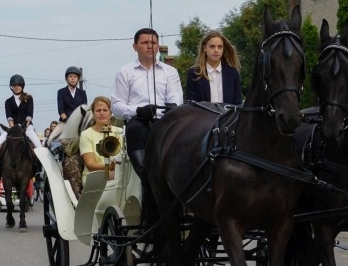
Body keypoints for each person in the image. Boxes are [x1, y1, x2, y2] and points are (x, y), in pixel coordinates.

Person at [111, 28, 183, 178]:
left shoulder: (170, 72)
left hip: (166, 121)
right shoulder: (125, 72)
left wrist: (173, 107)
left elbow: (176, 96)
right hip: (139, 121)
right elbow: (116, 106)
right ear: (135, 46)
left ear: (158, 46)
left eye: (153, 42)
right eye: (144, 42)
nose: (149, 46)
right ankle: (146, 177)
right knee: (134, 130)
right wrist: (138, 111)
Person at [0, 74, 42, 180]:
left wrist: (24, 127)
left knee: (39, 147)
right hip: (13, 129)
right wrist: (13, 128)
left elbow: (29, 115)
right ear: (11, 87)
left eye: (19, 85)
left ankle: (38, 171)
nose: (17, 87)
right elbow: (9, 117)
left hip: (26, 128)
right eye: (14, 85)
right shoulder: (8, 101)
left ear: (22, 86)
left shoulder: (29, 98)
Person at [185, 30, 243, 105]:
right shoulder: (194, 73)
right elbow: (191, 104)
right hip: (203, 116)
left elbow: (237, 104)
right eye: (212, 46)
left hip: (228, 116)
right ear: (205, 48)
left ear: (223, 49)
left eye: (220, 47)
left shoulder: (233, 73)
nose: (216, 50)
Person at [80, 96, 124, 182]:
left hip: (120, 174)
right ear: (93, 114)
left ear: (111, 113)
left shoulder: (120, 132)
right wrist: (110, 167)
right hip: (94, 177)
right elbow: (90, 165)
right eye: (98, 110)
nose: (102, 113)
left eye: (105, 110)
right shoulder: (86, 134)